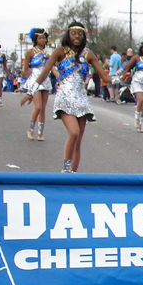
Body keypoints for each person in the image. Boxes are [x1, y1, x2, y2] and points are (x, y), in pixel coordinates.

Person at [21, 21, 111, 172]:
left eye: (80, 34)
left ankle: (73, 176)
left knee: (78, 141)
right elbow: (44, 73)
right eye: (74, 33)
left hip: (81, 100)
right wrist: (30, 92)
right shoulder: (59, 51)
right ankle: (66, 171)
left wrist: (123, 78)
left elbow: (105, 77)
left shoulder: (89, 56)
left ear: (84, 36)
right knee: (73, 132)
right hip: (64, 99)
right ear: (68, 34)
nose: (77, 36)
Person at [21, 27, 52, 141]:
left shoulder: (48, 53)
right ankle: (30, 130)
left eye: (44, 38)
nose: (42, 40)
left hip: (46, 80)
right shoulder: (30, 52)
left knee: (43, 108)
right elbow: (25, 69)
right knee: (37, 107)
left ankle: (40, 132)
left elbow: (52, 66)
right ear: (35, 39)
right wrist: (23, 80)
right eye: (40, 38)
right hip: (35, 80)